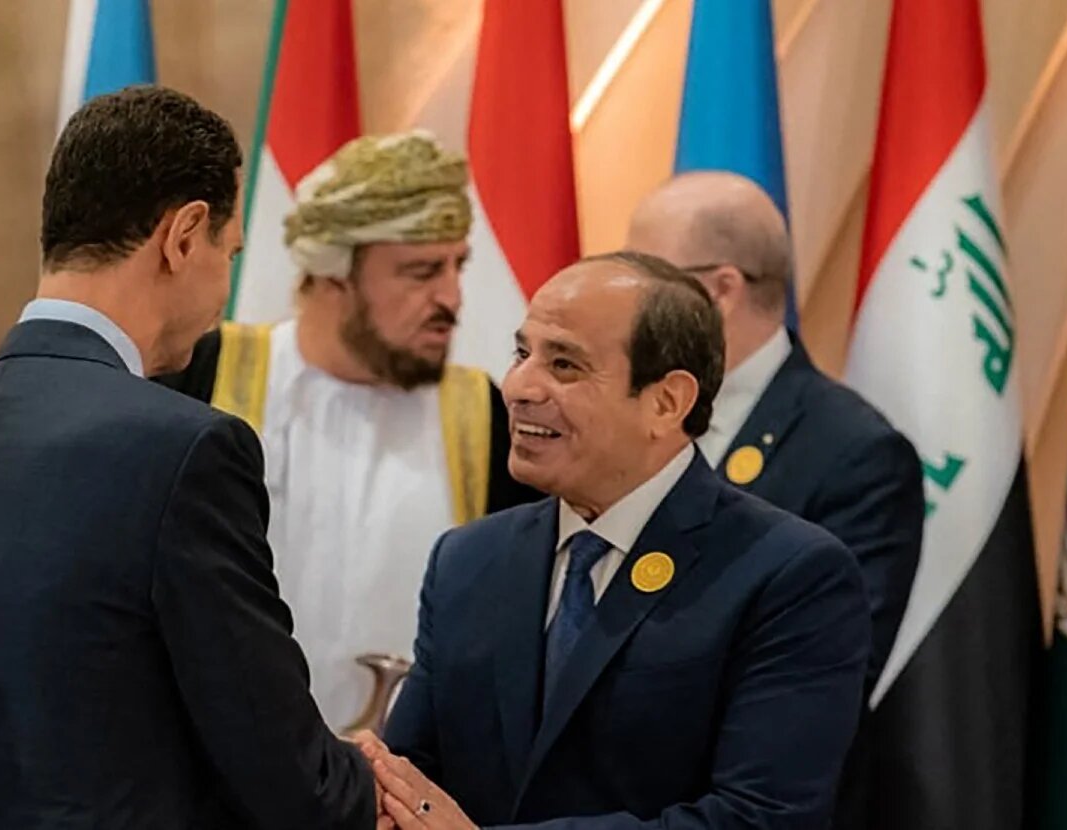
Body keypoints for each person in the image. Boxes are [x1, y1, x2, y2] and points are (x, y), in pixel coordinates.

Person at [0, 86, 375, 829]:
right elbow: (289, 778)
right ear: (183, 236)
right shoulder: (186, 451)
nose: (225, 290)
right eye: (228, 253)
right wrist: (383, 786)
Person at [369, 252, 871, 828]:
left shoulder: (789, 574)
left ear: (666, 402)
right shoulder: (467, 558)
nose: (519, 386)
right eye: (522, 354)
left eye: (564, 365)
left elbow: (760, 818)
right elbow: (409, 778)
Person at [157, 130, 538, 727]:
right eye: (420, 271)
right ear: (334, 274)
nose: (451, 297)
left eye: (457, 266)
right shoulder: (204, 377)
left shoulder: (483, 413)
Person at [624, 172, 925, 828]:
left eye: (647, 281)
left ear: (720, 289)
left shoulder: (856, 454)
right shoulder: (624, 418)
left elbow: (825, 678)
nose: (628, 306)